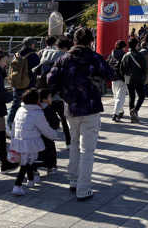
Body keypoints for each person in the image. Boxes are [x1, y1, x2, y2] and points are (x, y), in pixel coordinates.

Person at [47, 27, 114, 201]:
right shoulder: (95, 58)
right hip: (91, 107)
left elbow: (50, 79)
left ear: (74, 40)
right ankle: (83, 188)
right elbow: (110, 74)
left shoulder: (64, 59)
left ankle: (73, 180)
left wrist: (61, 91)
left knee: (74, 144)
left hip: (71, 106)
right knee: (88, 150)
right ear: (91, 41)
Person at [10, 89, 61, 195]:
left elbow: (14, 125)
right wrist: (54, 135)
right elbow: (45, 128)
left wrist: (13, 140)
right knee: (25, 163)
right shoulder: (37, 113)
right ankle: (17, 185)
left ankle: (31, 180)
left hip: (19, 140)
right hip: (30, 142)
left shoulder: (20, 109)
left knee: (28, 161)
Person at [119, 37, 148, 123]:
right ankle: (135, 110)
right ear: (136, 45)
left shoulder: (126, 55)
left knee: (131, 96)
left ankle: (132, 115)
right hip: (138, 78)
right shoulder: (140, 55)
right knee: (142, 96)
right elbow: (144, 68)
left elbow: (122, 68)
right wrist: (144, 77)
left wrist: (125, 77)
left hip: (128, 78)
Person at [36, 88, 61, 172]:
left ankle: (41, 164)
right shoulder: (48, 109)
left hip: (38, 135)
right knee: (50, 150)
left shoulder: (36, 109)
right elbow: (55, 122)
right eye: (50, 97)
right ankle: (51, 166)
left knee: (41, 151)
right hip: (48, 133)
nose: (51, 98)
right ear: (44, 99)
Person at [7, 44, 31, 130]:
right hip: (26, 83)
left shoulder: (17, 55)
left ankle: (9, 122)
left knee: (15, 105)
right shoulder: (32, 55)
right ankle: (24, 124)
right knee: (28, 105)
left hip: (16, 83)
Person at [107, 39, 128, 122]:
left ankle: (120, 111)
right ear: (123, 47)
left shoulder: (112, 54)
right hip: (122, 78)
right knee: (120, 97)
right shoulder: (124, 55)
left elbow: (107, 63)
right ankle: (115, 114)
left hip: (113, 78)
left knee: (116, 96)